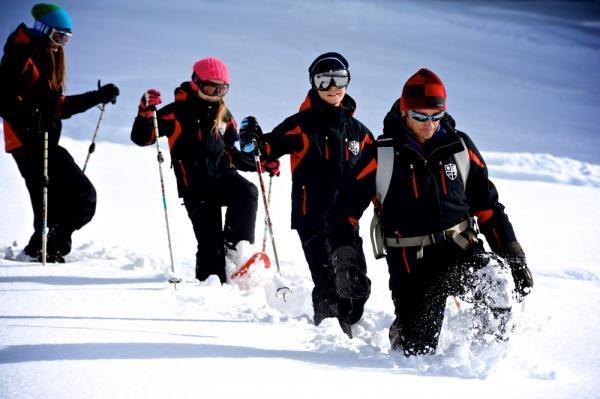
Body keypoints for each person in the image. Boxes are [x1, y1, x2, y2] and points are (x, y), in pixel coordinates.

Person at [329, 68, 533, 355]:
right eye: (420, 117)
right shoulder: (382, 155)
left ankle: (486, 359)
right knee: (418, 352)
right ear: (404, 111)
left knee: (496, 283)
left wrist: (513, 255)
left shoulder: (459, 148)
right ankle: (404, 331)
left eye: (436, 117)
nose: (429, 125)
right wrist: (347, 263)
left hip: (461, 251)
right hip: (412, 266)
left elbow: (488, 208)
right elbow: (342, 215)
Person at [239, 52, 375, 336]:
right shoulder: (302, 124)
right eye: (324, 80)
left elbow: (375, 175)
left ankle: (348, 321)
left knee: (356, 285)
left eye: (339, 78)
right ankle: (329, 336)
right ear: (314, 84)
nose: (333, 86)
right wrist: (252, 141)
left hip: (346, 220)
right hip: (311, 217)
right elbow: (263, 151)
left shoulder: (360, 133)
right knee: (328, 282)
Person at [131, 57, 269, 284]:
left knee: (247, 192)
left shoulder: (224, 116)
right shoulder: (177, 112)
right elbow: (143, 137)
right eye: (210, 87)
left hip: (223, 177)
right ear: (195, 82)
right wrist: (145, 112)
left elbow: (234, 153)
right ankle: (209, 285)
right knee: (210, 246)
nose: (216, 94)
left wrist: (261, 162)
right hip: (195, 188)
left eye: (221, 89)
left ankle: (237, 250)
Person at [0, 3, 120, 263]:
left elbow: (58, 107)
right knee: (81, 197)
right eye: (58, 36)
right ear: (43, 30)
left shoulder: (47, 57)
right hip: (27, 141)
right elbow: (5, 99)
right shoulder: (20, 54)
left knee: (55, 203)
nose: (61, 44)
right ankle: (48, 247)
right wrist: (32, 117)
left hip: (43, 140)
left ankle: (41, 248)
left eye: (67, 38)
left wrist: (97, 96)